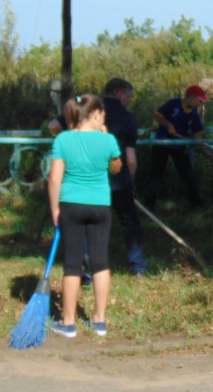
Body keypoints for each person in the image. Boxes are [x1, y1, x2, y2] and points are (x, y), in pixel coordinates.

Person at [48, 94, 122, 338]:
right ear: (96, 114)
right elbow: (116, 168)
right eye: (103, 114)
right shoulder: (108, 139)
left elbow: (55, 178)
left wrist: (55, 208)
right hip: (100, 204)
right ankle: (100, 321)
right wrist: (106, 141)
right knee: (100, 262)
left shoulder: (63, 139)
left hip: (71, 204)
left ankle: (68, 323)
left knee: (72, 264)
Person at [102, 77, 146, 276]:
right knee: (129, 222)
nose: (129, 100)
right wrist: (130, 179)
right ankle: (137, 266)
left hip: (91, 179)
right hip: (119, 179)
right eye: (128, 96)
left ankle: (88, 270)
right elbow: (130, 158)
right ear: (118, 93)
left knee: (92, 223)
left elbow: (54, 125)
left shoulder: (86, 111)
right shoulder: (127, 118)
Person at [144, 85, 207, 210]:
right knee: (155, 175)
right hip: (162, 143)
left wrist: (201, 145)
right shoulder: (173, 103)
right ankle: (148, 206)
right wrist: (168, 124)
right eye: (199, 101)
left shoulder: (194, 115)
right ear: (192, 97)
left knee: (187, 175)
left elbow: (198, 134)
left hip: (179, 146)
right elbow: (158, 115)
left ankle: (196, 204)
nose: (200, 104)